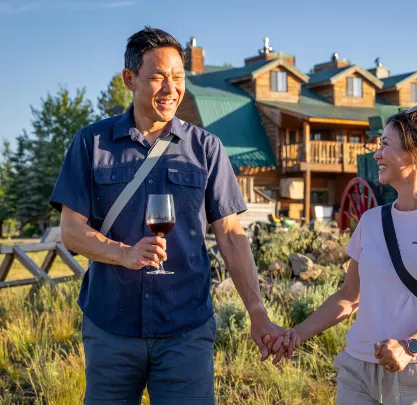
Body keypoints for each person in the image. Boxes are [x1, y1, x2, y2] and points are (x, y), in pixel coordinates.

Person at [50, 27, 283, 405]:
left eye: (178, 77)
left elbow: (230, 235)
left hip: (186, 330)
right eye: (158, 77)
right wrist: (124, 253)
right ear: (130, 79)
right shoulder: (91, 143)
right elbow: (72, 232)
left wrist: (257, 312)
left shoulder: (207, 148)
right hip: (111, 328)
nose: (171, 89)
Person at [271, 107, 417, 405]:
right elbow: (348, 296)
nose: (376, 154)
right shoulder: (371, 220)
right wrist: (296, 334)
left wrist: (409, 347)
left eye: (385, 145)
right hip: (358, 372)